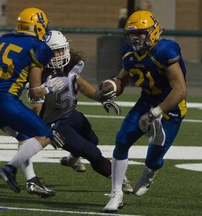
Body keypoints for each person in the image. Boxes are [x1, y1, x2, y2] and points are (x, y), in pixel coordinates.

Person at [25, 30, 133, 196]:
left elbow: (80, 84)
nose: (60, 55)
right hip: (55, 124)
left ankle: (72, 159)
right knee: (92, 153)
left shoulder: (72, 65)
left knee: (93, 140)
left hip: (71, 114)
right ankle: (118, 179)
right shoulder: (39, 74)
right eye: (55, 51)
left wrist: (99, 97)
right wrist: (46, 131)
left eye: (62, 50)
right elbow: (34, 110)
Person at [103, 10, 187, 213]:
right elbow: (123, 77)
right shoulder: (128, 53)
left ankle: (150, 172)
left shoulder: (165, 51)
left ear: (153, 31)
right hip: (147, 101)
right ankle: (117, 194)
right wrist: (112, 86)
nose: (135, 38)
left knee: (154, 157)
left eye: (140, 33)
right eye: (131, 34)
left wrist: (157, 111)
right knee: (122, 140)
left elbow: (180, 90)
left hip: (171, 106)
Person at [0, 8, 65, 196]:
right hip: (6, 101)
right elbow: (36, 91)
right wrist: (52, 87)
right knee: (44, 135)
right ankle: (9, 168)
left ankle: (32, 180)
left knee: (24, 137)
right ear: (38, 27)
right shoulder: (39, 48)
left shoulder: (5, 39)